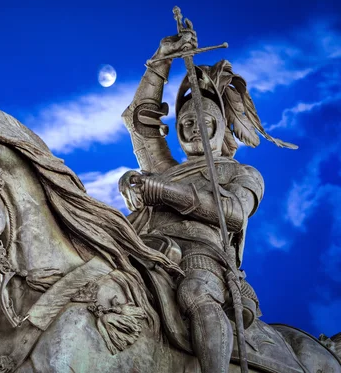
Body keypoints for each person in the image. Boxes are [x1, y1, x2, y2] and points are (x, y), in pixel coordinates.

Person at [119, 30, 296, 372]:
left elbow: (233, 214)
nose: (194, 128)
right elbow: (139, 122)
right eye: (186, 123)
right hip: (140, 244)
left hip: (202, 257)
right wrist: (160, 62)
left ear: (220, 127)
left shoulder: (241, 173)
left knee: (197, 293)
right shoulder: (164, 168)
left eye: (203, 121)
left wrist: (162, 191)